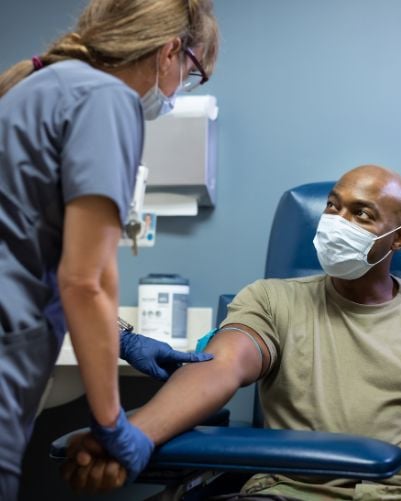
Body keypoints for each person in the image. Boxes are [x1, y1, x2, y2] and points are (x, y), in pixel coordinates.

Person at [63, 165, 401, 500]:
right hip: (289, 492)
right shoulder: (272, 300)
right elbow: (221, 367)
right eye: (333, 206)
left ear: (399, 238)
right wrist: (135, 433)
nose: (336, 221)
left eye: (360, 214)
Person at [0, 0, 218, 497]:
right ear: (170, 51)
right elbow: (86, 280)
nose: (182, 86)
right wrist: (113, 425)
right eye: (192, 71)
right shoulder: (106, 99)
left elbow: (28, 248)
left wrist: (120, 338)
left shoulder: (34, 87)